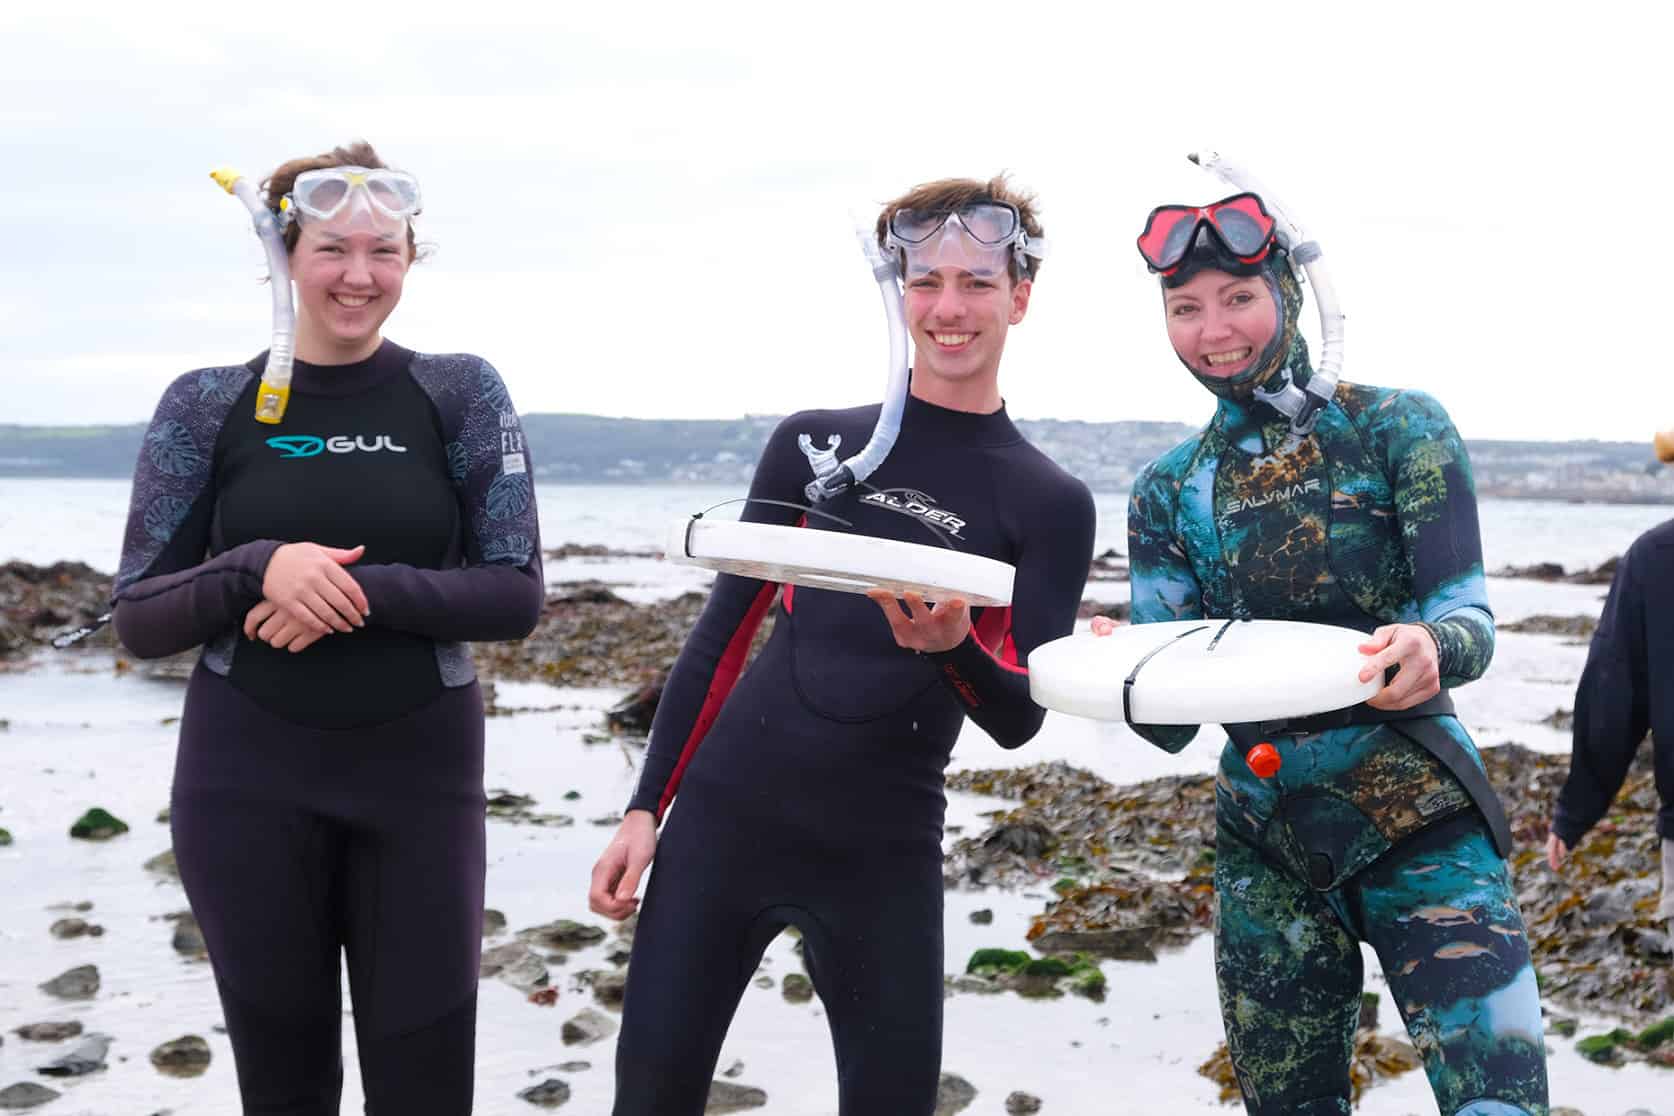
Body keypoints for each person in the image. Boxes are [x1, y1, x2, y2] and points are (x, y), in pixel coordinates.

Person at [588, 175, 1095, 1115]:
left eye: (978, 284)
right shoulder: (812, 446)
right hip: (719, 830)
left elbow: (1023, 715)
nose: (948, 309)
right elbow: (722, 637)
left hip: (881, 853)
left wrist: (951, 649)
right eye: (925, 279)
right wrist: (643, 809)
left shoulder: (1048, 501)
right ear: (894, 289)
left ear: (1020, 298)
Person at [111, 141, 542, 1115]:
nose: (360, 277)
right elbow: (139, 616)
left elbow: (513, 593)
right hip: (246, 790)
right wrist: (262, 564)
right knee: (286, 1091)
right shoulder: (206, 404)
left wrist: (346, 590)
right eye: (334, 251)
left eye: (384, 252)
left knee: (427, 1088)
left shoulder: (459, 392)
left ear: (409, 258)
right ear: (283, 255)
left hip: (419, 794)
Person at [1098, 192, 1549, 1115]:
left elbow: (1468, 617)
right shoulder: (1167, 491)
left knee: (1500, 1108)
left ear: (1291, 294)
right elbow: (1167, 733)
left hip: (1421, 823)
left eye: (1237, 298)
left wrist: (1429, 645)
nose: (1213, 331)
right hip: (1267, 842)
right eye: (1186, 309)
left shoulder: (1397, 428)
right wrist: (1123, 672)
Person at [1547, 512, 1673, 927]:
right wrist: (1574, 812)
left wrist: (1574, 812)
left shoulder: (1656, 556)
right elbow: (1612, 696)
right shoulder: (1656, 558)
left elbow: (1612, 698)